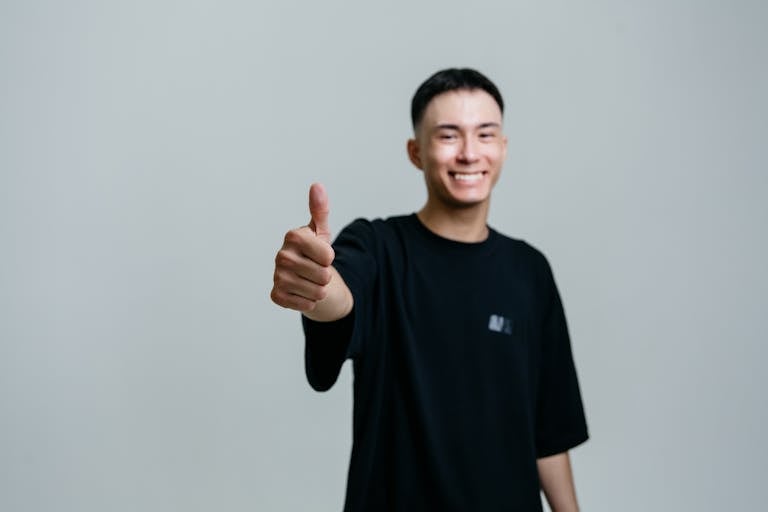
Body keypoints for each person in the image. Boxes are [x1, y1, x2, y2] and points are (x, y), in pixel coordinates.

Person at [271, 68, 589, 511]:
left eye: (485, 134)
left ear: (503, 147)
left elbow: (548, 432)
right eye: (448, 136)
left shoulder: (530, 271)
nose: (469, 153)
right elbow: (341, 297)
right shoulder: (377, 248)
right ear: (416, 152)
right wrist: (318, 287)